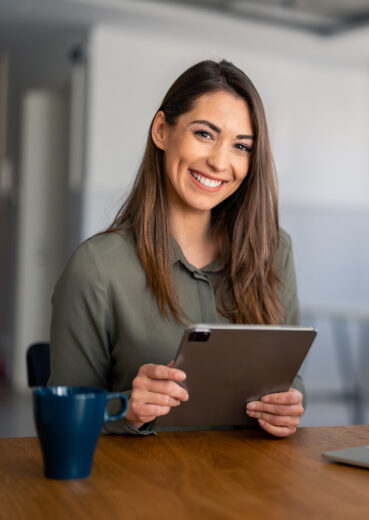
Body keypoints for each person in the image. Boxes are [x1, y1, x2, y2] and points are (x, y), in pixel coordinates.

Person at [48, 59, 305, 437]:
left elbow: (288, 377)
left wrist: (287, 405)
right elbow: (61, 420)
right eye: (204, 134)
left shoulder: (275, 251)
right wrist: (126, 410)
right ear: (161, 130)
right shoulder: (97, 268)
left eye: (241, 146)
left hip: (252, 486)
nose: (219, 161)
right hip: (138, 489)